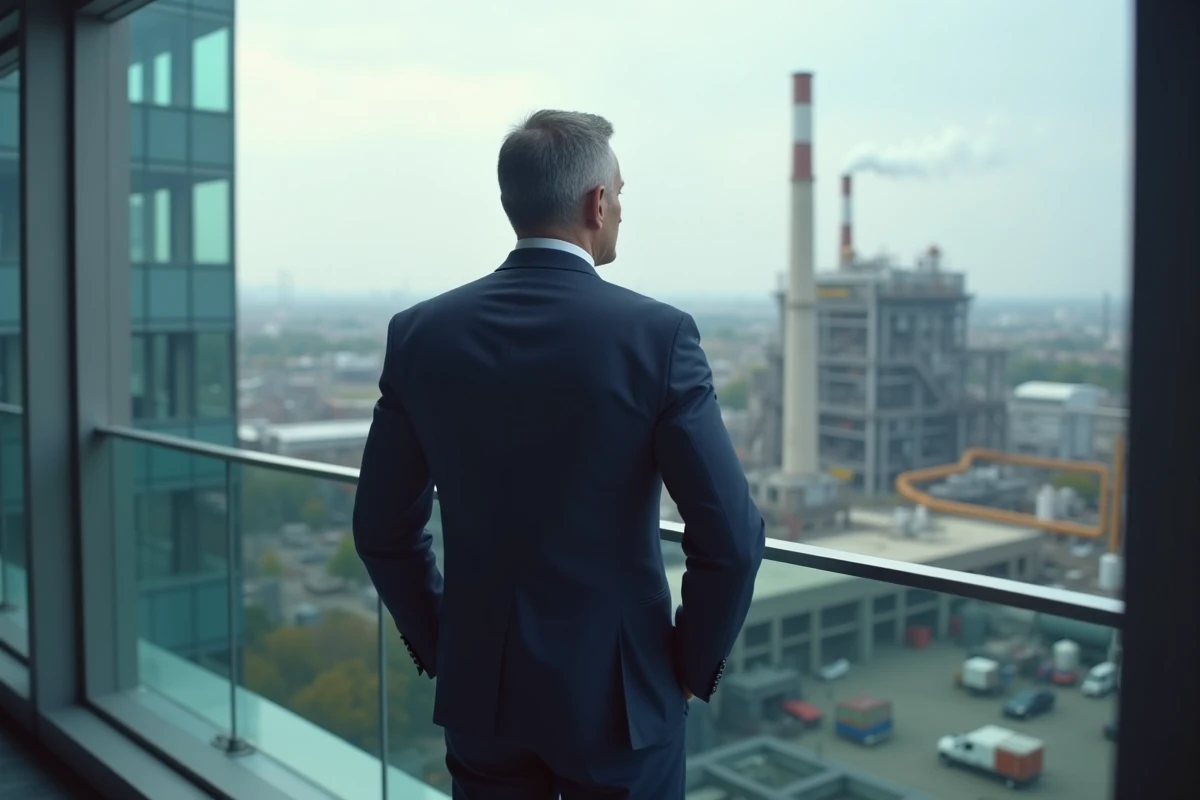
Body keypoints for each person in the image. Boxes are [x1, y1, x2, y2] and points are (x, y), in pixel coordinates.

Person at [353, 109, 765, 799]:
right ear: (596, 203)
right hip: (621, 700)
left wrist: (445, 645)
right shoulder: (656, 338)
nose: (623, 212)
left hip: (483, 689)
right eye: (622, 195)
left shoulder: (422, 333)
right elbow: (730, 538)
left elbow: (381, 529)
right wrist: (691, 669)